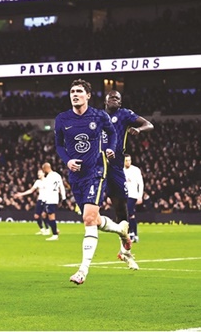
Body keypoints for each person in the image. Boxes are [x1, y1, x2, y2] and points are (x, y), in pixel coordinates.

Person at [54, 79, 132, 285]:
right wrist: (67, 160)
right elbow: (59, 145)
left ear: (88, 95)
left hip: (96, 171)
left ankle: (82, 270)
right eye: (72, 91)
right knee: (94, 219)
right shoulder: (62, 119)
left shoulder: (99, 116)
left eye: (79, 91)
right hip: (76, 176)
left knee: (88, 219)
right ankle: (120, 230)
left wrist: (111, 148)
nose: (75, 94)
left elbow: (113, 134)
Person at [103, 90, 152, 268]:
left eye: (118, 98)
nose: (116, 100)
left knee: (121, 211)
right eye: (112, 97)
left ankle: (125, 251)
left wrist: (138, 129)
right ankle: (84, 265)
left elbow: (149, 124)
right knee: (90, 212)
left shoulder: (124, 114)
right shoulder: (96, 116)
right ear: (105, 100)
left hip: (115, 166)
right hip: (97, 165)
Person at [13, 169, 50, 236]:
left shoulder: (48, 181)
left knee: (44, 215)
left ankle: (47, 229)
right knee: (36, 216)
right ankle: (42, 229)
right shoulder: (37, 182)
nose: (38, 174)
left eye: (40, 172)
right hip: (40, 200)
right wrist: (21, 194)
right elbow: (31, 190)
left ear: (44, 173)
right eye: (38, 172)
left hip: (47, 200)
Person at [39, 162, 66, 241]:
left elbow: (47, 189)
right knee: (44, 215)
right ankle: (55, 230)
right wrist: (64, 197)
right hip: (55, 198)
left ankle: (55, 234)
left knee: (51, 216)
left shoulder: (49, 178)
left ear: (45, 168)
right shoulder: (57, 175)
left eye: (43, 169)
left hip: (50, 198)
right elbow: (61, 186)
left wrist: (44, 200)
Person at [123, 154, 144, 244]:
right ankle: (134, 234)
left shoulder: (135, 170)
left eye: (129, 160)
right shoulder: (121, 170)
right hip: (123, 195)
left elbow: (141, 183)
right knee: (129, 214)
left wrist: (140, 195)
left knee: (129, 212)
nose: (128, 162)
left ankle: (131, 233)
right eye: (126, 160)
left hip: (132, 195)